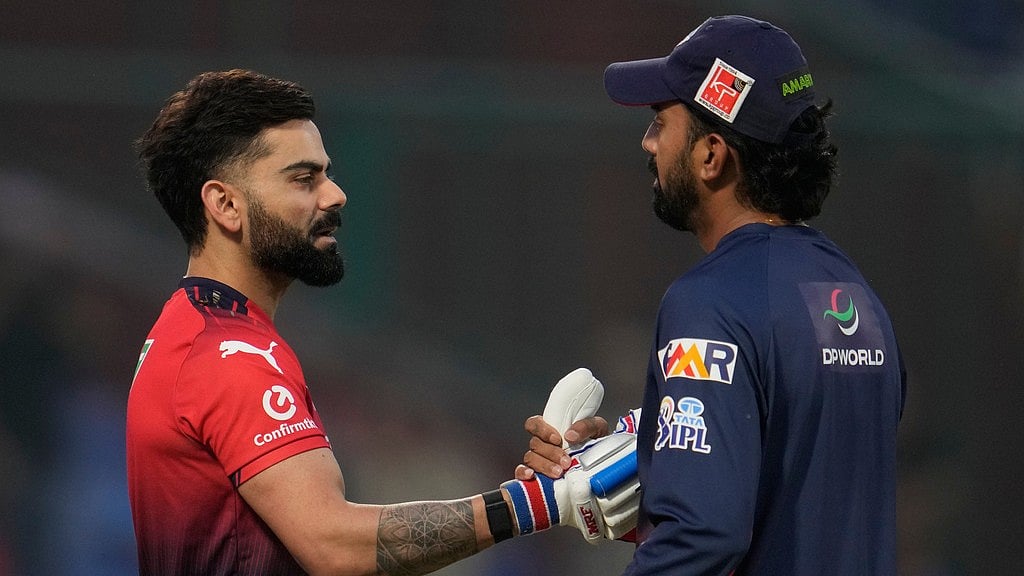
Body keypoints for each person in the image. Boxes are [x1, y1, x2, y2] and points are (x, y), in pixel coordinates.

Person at [126, 69, 629, 576]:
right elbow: (335, 546)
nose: (335, 195)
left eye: (326, 173)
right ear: (226, 205)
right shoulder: (229, 355)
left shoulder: (195, 333)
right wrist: (537, 504)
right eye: (304, 178)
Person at [518, 15, 907, 575]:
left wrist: (675, 505)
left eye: (660, 121)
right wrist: (650, 455)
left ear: (711, 155)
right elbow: (793, 495)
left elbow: (703, 537)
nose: (647, 142)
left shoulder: (709, 302)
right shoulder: (858, 298)